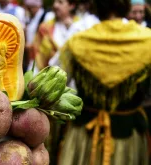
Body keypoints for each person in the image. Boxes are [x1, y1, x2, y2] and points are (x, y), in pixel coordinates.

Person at [58, 0, 150, 164]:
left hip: (83, 136)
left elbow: (55, 86)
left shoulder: (77, 42)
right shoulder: (147, 41)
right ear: (127, 7)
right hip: (128, 138)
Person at [32, 0, 78, 71]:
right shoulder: (44, 28)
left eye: (60, 2)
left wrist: (72, 28)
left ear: (72, 5)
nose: (55, 5)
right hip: (47, 77)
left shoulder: (81, 27)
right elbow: (37, 56)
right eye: (55, 2)